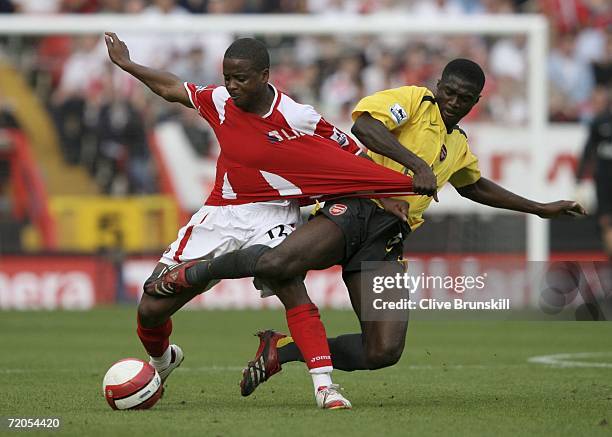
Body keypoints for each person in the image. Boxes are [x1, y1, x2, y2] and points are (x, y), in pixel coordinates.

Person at [152, 58, 587, 399]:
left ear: (476, 102)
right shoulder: (415, 101)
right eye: (449, 92)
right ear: (439, 87)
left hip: (387, 241)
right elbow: (364, 124)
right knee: (278, 263)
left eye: (464, 98)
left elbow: (475, 187)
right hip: (357, 208)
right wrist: (414, 164)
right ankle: (196, 272)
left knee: (383, 351)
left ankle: (279, 352)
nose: (454, 101)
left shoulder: (458, 146)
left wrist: (539, 208)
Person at [104, 33, 424, 410]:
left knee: (287, 281)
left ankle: (325, 386)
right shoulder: (220, 101)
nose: (231, 86)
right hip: (221, 213)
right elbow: (173, 88)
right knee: (151, 305)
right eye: (227, 77)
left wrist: (382, 193)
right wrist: (127, 65)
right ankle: (162, 362)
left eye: (240, 78)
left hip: (274, 213)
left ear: (264, 75)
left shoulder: (298, 116)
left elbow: (351, 155)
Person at [576, 88, 612, 262]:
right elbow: (588, 150)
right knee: (606, 221)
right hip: (605, 180)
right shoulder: (600, 122)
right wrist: (579, 178)